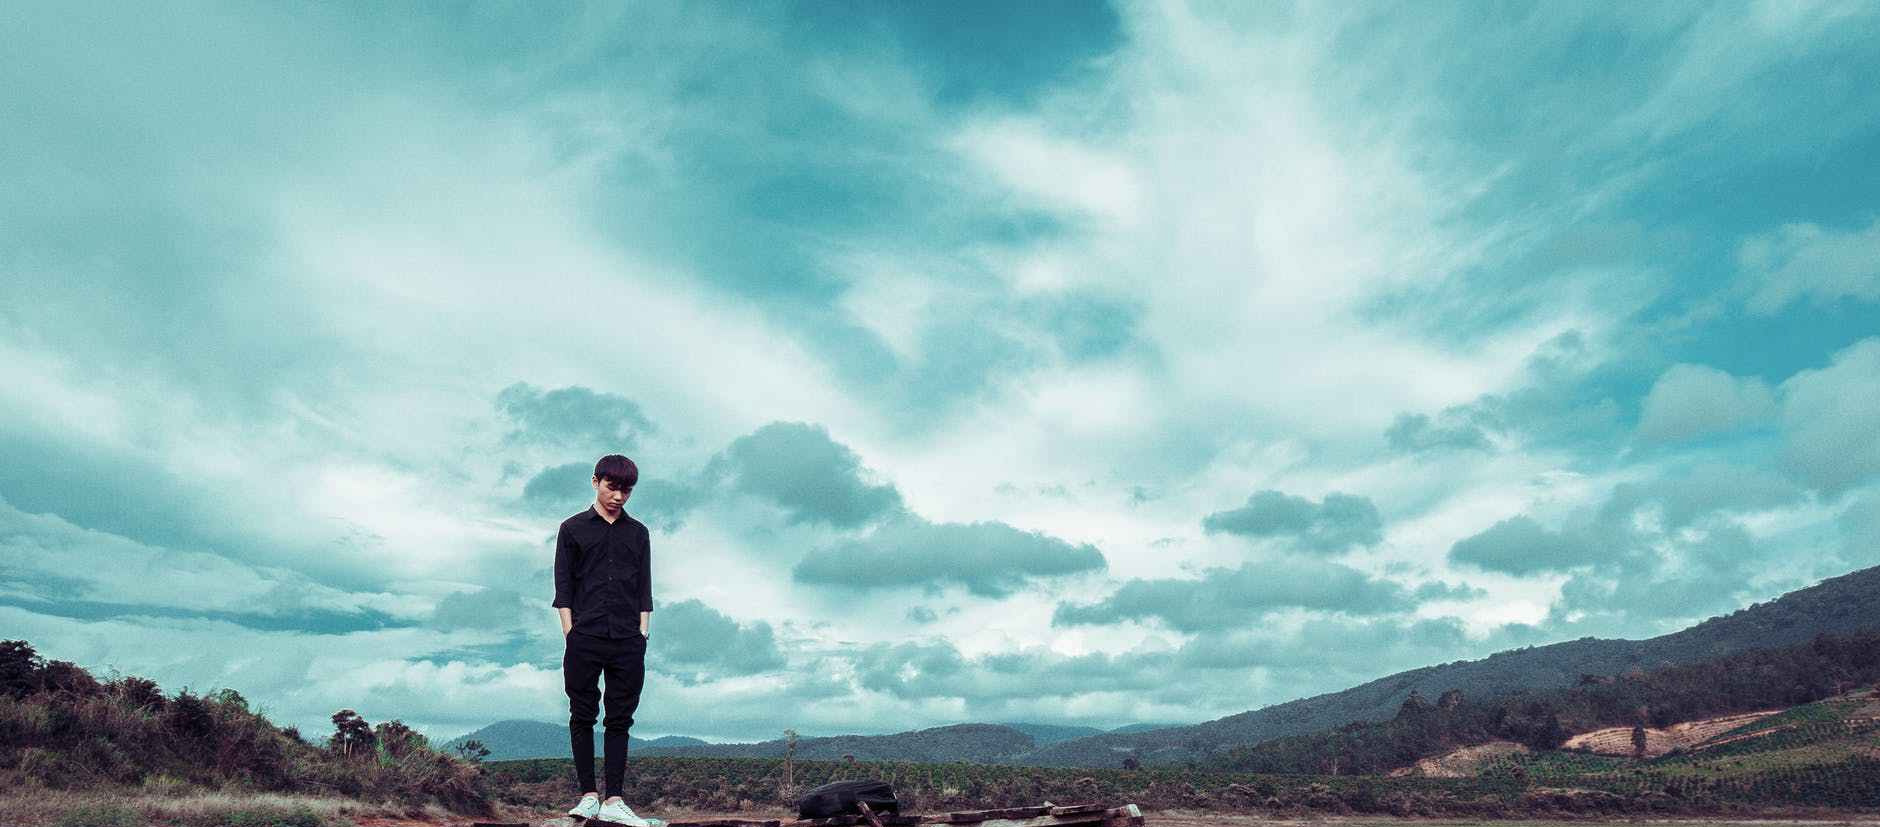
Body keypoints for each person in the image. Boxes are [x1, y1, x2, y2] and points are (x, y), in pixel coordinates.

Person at [554, 454, 654, 826]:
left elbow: (644, 587)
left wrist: (642, 632)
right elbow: (563, 586)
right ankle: (588, 797)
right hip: (585, 636)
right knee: (581, 714)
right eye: (613, 487)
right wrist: (570, 632)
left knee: (620, 720)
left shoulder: (638, 532)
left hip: (628, 638)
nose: (619, 496)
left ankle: (614, 799)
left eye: (626, 490)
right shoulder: (572, 528)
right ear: (595, 481)